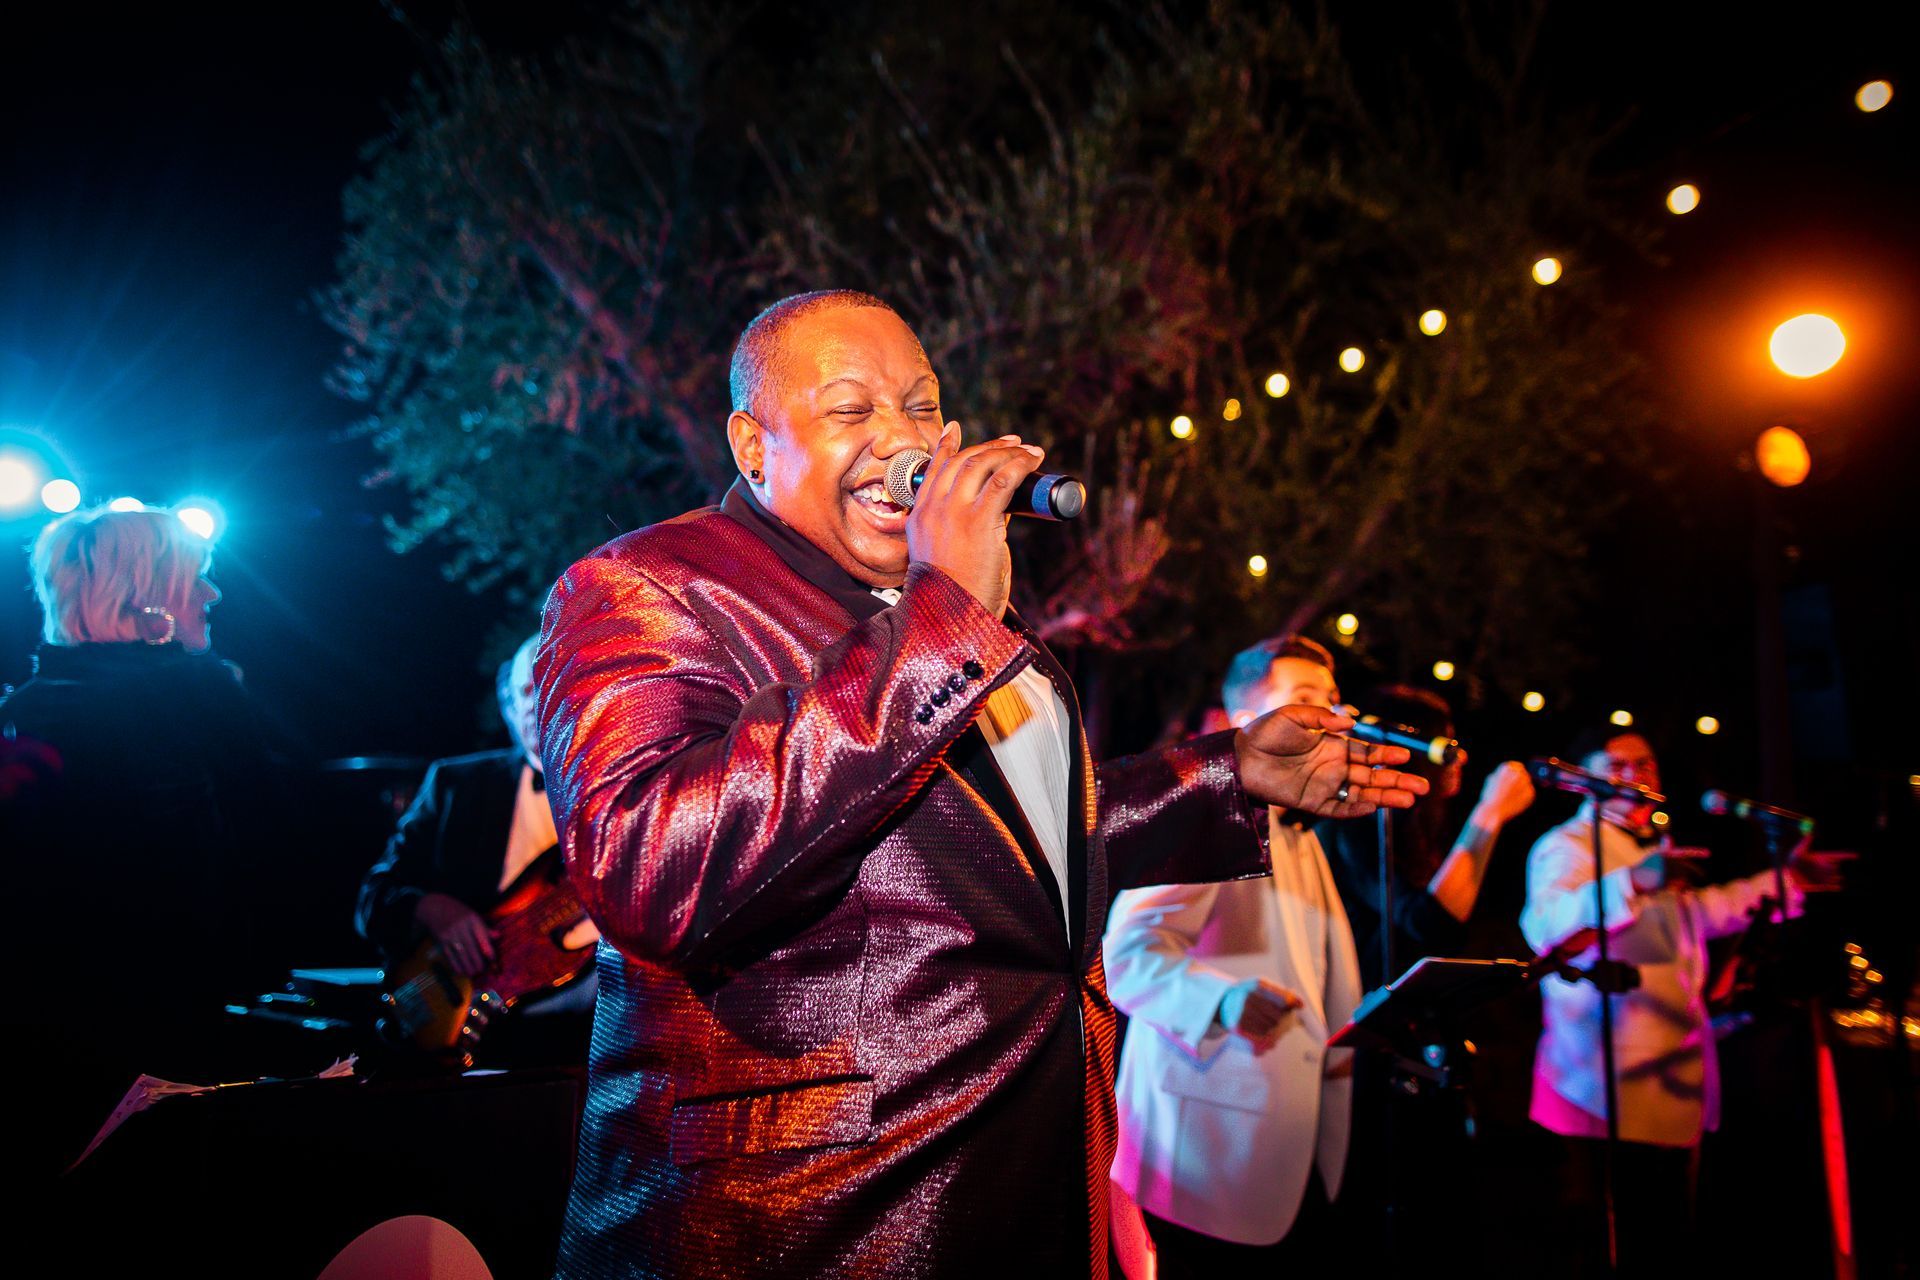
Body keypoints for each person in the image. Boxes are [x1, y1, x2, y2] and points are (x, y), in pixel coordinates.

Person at [534, 289, 1428, 1279]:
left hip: (1031, 1187)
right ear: (754, 443)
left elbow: (1019, 855)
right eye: (850, 409)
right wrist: (944, 617)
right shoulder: (646, 587)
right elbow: (654, 865)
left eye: (920, 406)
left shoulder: (974, 627)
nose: (902, 439)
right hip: (813, 1224)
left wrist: (1233, 773)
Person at [1, 505, 278, 1178]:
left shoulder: (25, 709)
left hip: (39, 1051)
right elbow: (273, 851)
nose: (212, 595)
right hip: (170, 1042)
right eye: (197, 578)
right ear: (147, 595)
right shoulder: (193, 696)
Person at [1103, 634, 1361, 1274]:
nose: (1335, 715)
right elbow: (1126, 955)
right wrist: (1223, 998)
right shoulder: (1206, 818)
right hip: (1203, 1160)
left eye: (1333, 699)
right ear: (1250, 724)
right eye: (1307, 700)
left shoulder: (1306, 834)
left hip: (1287, 1154)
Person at [1519, 725, 1817, 1273]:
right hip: (1598, 1092)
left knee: (1668, 1245)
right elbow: (1547, 926)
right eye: (1618, 765)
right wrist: (1633, 880)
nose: (1636, 776)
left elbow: (1698, 916)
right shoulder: (1566, 846)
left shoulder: (1653, 846)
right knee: (1614, 1248)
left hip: (1668, 1082)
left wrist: (1786, 881)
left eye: (1646, 765)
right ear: (1584, 782)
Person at [355, 634, 600, 1067]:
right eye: (525, 690)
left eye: (548, 683)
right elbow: (373, 898)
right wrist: (429, 908)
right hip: (461, 1049)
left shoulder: (620, 791)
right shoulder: (455, 786)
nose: (534, 701)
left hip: (585, 1042)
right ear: (507, 707)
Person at [1318, 683, 1536, 988]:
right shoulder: (1357, 821)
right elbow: (1429, 926)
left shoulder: (1420, 825)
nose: (1460, 757)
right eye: (1447, 745)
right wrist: (1489, 813)